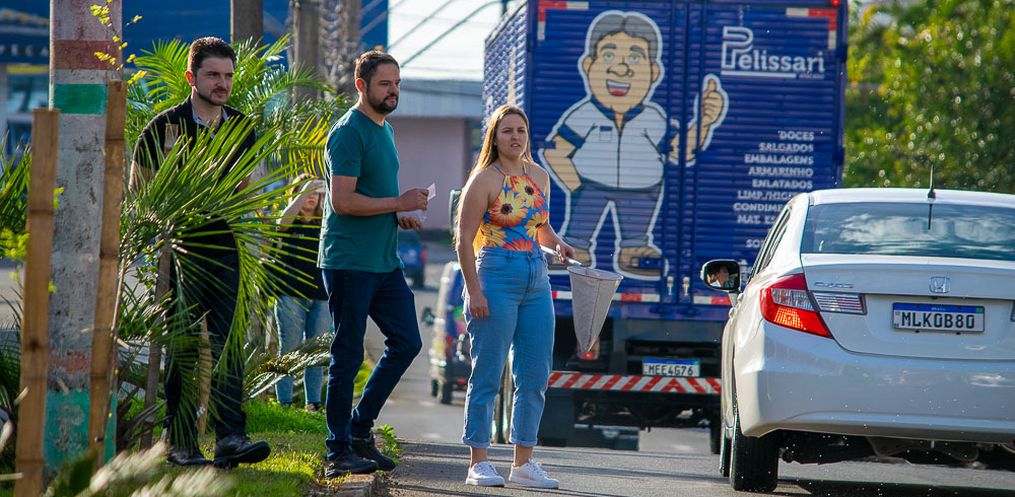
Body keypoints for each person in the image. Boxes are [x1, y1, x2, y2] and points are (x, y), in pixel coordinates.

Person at [130, 37, 270, 467]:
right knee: (184, 348)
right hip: (179, 251)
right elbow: (139, 193)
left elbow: (250, 188)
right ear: (192, 77)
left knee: (228, 345)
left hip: (227, 250)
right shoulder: (164, 127)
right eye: (213, 75)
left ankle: (231, 438)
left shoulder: (241, 127)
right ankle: (181, 442)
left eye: (228, 75)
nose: (222, 83)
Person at [542, 10, 728, 278]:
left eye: (634, 57)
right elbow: (555, 151)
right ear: (588, 65)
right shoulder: (586, 114)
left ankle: (634, 249)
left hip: (642, 189)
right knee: (580, 229)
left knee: (636, 234)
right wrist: (576, 184)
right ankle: (575, 248)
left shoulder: (652, 118)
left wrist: (704, 122)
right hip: (592, 185)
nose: (621, 68)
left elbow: (681, 151)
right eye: (608, 56)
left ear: (654, 72)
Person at [318, 50, 429, 477]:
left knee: (407, 342)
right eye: (385, 84)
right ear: (361, 86)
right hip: (349, 261)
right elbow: (342, 201)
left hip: (383, 261)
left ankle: (360, 430)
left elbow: (372, 196)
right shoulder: (348, 132)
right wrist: (398, 202)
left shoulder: (386, 129)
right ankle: (337, 450)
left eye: (397, 83)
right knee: (347, 355)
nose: (393, 91)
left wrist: (398, 214)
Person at [454, 104, 576, 489]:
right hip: (495, 274)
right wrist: (474, 291)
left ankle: (523, 463)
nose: (515, 137)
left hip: (536, 276)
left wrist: (558, 244)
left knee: (535, 375)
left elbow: (540, 227)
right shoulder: (484, 180)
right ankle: (478, 461)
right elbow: (462, 240)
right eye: (507, 131)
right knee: (488, 373)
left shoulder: (538, 175)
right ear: (494, 137)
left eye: (521, 130)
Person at [274, 174, 329, 412]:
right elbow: (282, 222)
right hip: (290, 293)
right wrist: (304, 189)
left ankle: (312, 404)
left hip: (321, 295)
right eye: (306, 193)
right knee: (289, 348)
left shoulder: (324, 222)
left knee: (316, 352)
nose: (311, 197)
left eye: (315, 193)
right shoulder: (290, 222)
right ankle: (284, 403)